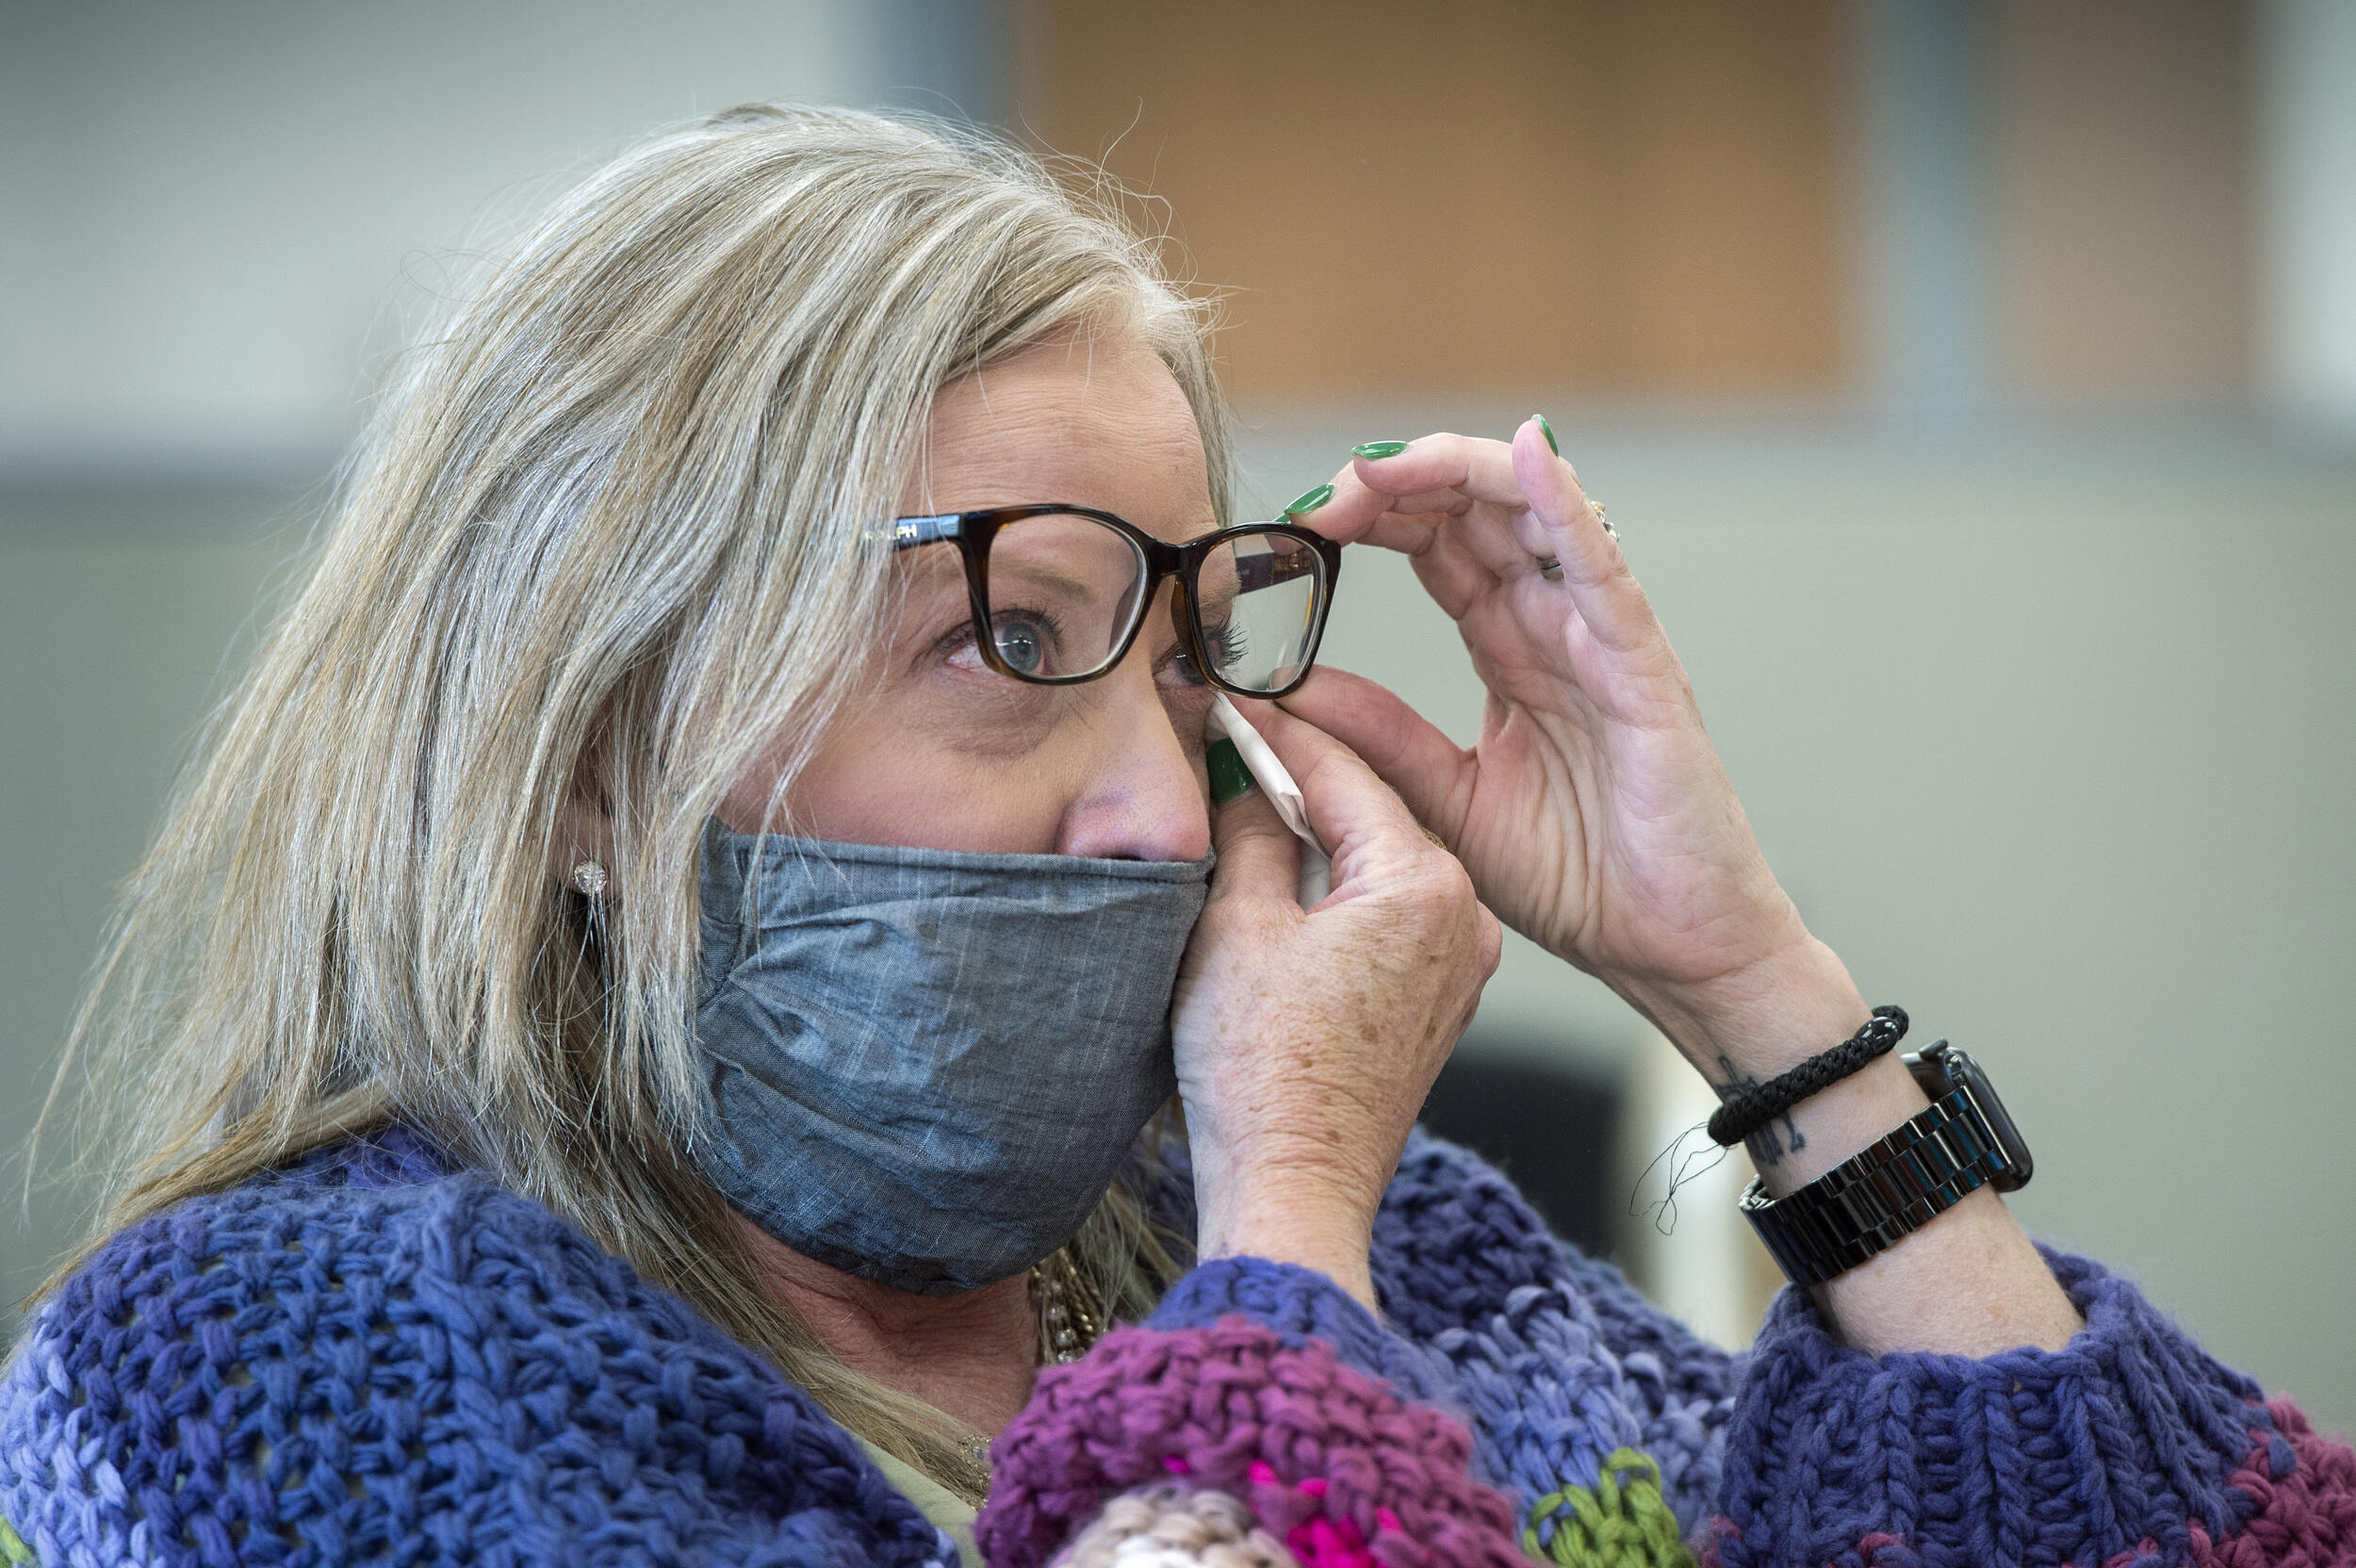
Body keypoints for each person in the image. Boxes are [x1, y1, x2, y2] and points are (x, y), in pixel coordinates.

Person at [1, 105, 2346, 1568]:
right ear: (587, 756)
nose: (1158, 796)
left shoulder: (1413, 1257)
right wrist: (1293, 1222)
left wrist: (1750, 984)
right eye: (1011, 635)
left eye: (1178, 648)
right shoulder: (275, 1355)